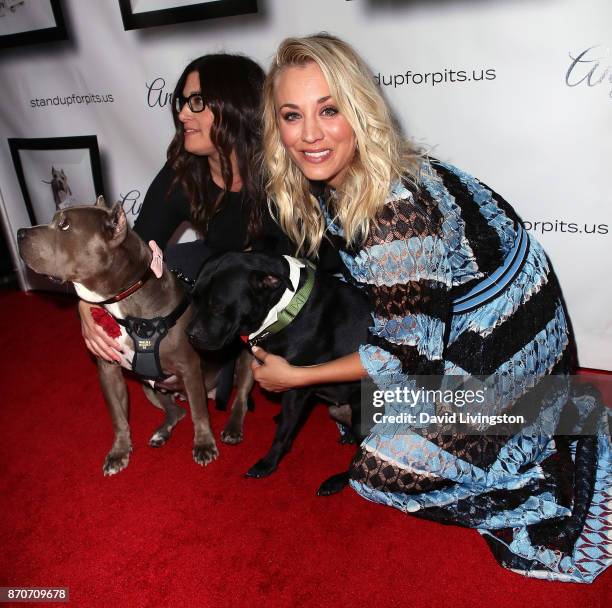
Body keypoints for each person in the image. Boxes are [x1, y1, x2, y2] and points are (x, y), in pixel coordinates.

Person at [251, 33, 611, 583]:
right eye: (292, 115)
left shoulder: (394, 213)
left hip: (506, 353)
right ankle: (542, 414)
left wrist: (295, 376)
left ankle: (542, 444)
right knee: (375, 414)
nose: (310, 134)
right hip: (484, 334)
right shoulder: (349, 179)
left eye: (330, 110)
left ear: (360, 110)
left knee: (376, 471)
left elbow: (405, 357)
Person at [79, 53, 290, 363]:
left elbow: (308, 270)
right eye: (183, 102)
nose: (182, 115)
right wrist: (87, 301)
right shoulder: (185, 172)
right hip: (229, 288)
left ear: (237, 107)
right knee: (173, 267)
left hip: (296, 292)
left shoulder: (286, 171)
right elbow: (134, 250)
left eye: (197, 102)